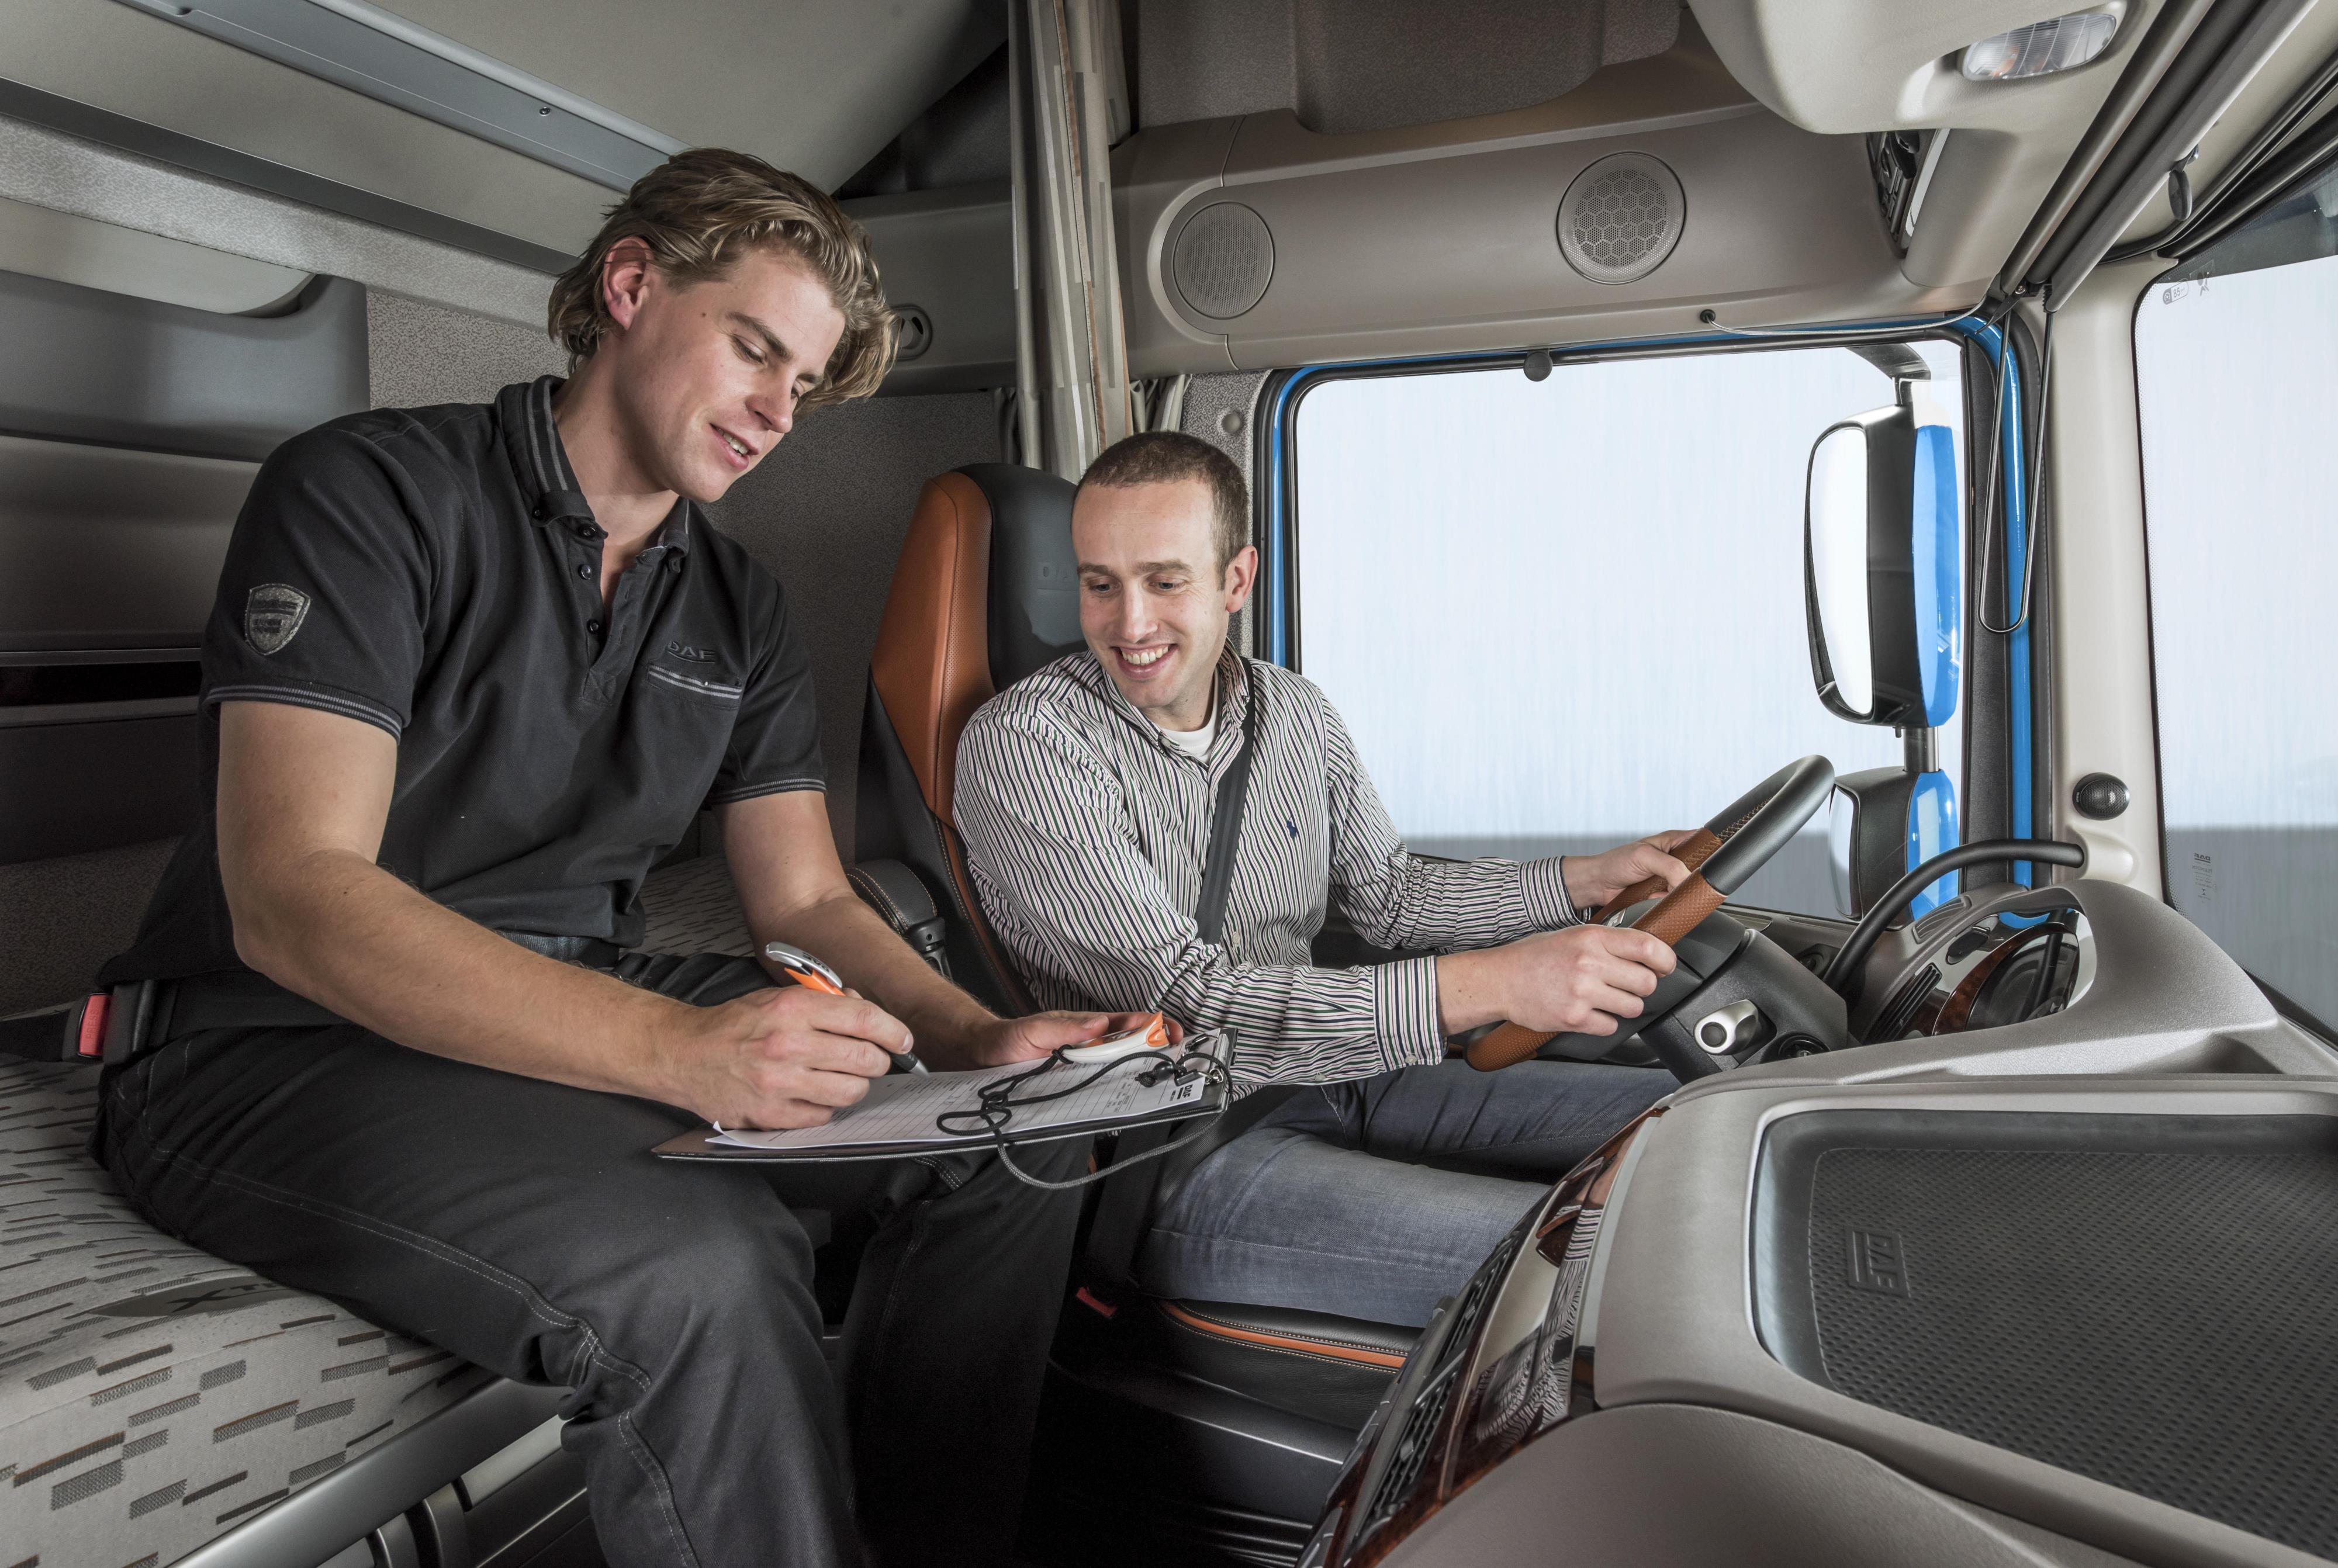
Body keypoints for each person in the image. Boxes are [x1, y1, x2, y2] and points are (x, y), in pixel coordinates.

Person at [89, 150, 1150, 1568]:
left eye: (807, 384)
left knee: (1008, 1151)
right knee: (699, 1270)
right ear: (632, 286)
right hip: (263, 1038)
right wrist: (675, 1047)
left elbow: (808, 896)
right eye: (755, 350)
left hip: (560, 993)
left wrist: (972, 1036)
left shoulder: (738, 606)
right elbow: (294, 898)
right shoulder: (367, 492)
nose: (780, 412)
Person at [954, 431, 1693, 1328]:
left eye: (1165, 581)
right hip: (1173, 1147)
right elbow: (1189, 1002)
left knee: (1693, 1126)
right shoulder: (1028, 745)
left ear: (1236, 579)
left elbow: (1393, 896)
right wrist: (1498, 983)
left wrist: (1583, 880)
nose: (1129, 624)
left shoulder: (1294, 713)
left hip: (1338, 1068)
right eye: (1099, 584)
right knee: (1593, 1264)